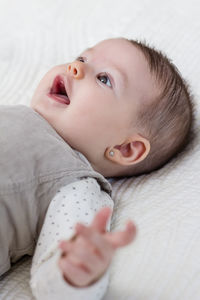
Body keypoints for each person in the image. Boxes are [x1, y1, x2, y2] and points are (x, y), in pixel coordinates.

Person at [0, 37, 194, 300]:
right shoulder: (14, 113)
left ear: (126, 149)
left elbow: (55, 281)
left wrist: (77, 271)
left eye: (104, 79)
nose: (75, 68)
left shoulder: (77, 185)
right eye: (82, 58)